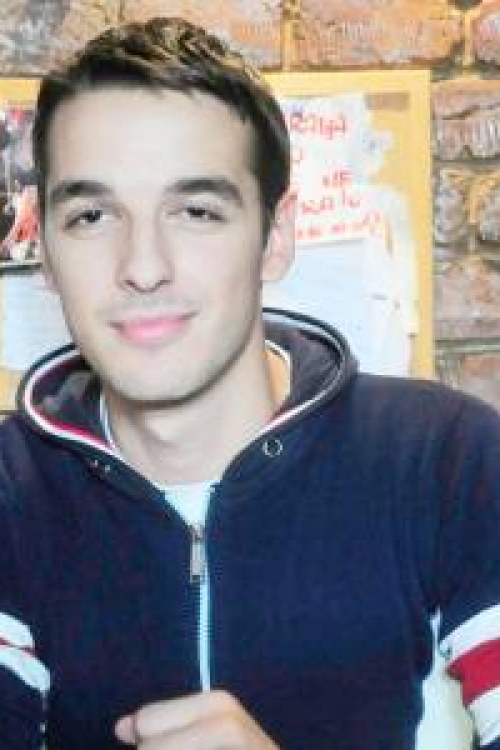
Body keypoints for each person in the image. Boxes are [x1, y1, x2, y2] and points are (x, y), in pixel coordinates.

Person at [0, 16, 498, 750]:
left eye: (197, 211)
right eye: (93, 214)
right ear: (43, 245)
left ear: (276, 237)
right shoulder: (11, 491)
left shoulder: (448, 459)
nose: (144, 267)